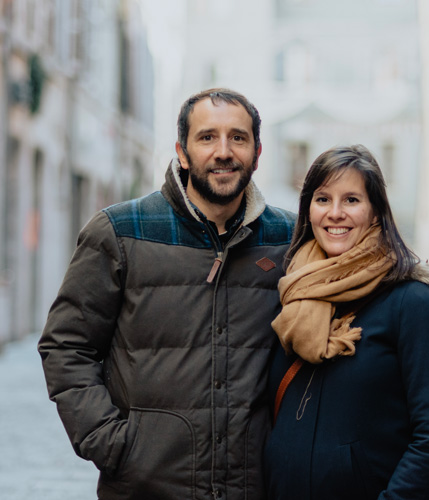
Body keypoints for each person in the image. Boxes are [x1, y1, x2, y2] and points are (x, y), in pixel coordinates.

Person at [38, 88, 295, 500]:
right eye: (208, 137)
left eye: (238, 138)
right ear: (183, 151)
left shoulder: (290, 238)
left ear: (257, 152)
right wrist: (112, 443)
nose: (224, 151)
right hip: (146, 485)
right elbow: (67, 346)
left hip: (255, 485)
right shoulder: (121, 232)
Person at [264, 144, 429, 500]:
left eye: (351, 200)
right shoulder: (295, 292)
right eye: (323, 199)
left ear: (375, 212)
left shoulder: (412, 302)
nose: (335, 213)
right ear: (308, 210)